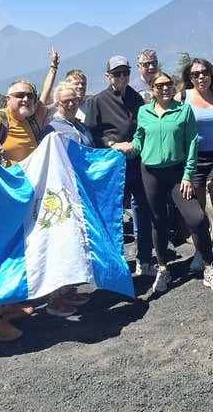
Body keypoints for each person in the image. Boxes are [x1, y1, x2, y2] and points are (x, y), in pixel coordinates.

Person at [0, 51, 60, 336]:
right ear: (6, 99)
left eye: (28, 96)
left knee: (17, 252)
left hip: (23, 199)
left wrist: (53, 68)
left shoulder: (32, 119)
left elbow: (44, 96)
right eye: (18, 95)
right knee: (0, 256)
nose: (24, 100)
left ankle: (10, 304)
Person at [113, 72, 213, 293]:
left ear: (173, 87)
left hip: (177, 173)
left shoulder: (183, 110)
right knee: (158, 221)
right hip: (151, 173)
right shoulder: (144, 111)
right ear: (152, 89)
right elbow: (139, 139)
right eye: (159, 85)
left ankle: (209, 267)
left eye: (168, 84)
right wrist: (128, 148)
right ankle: (163, 268)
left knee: (197, 218)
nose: (164, 88)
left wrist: (187, 175)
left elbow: (192, 143)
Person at [85, 56, 154, 277]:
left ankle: (144, 260)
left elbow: (143, 127)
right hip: (113, 167)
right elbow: (91, 134)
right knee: (113, 216)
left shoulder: (136, 98)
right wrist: (112, 144)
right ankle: (115, 264)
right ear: (108, 76)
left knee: (143, 212)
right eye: (117, 73)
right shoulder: (98, 101)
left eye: (125, 72)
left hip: (137, 163)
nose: (122, 77)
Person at [39, 81, 95, 316]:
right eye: (65, 101)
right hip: (62, 196)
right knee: (61, 243)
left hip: (82, 193)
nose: (71, 104)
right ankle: (54, 298)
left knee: (76, 243)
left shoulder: (82, 127)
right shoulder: (51, 129)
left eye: (74, 100)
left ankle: (69, 289)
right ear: (57, 103)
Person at [175, 58, 213, 267]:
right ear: (189, 77)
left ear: (211, 74)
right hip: (194, 160)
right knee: (198, 212)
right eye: (195, 74)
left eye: (204, 72)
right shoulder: (182, 97)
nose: (200, 77)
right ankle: (202, 253)